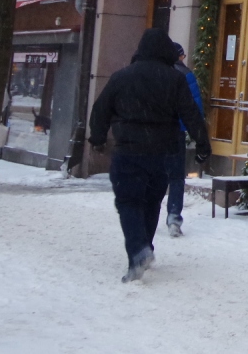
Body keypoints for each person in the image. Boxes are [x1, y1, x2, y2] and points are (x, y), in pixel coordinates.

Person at [89, 28, 210, 282]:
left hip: (129, 151)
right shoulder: (175, 79)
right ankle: (146, 246)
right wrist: (202, 144)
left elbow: (100, 110)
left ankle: (138, 251)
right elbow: (191, 113)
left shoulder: (122, 77)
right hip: (162, 153)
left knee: (129, 202)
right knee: (152, 201)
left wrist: (98, 139)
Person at [164, 43, 203, 238]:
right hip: (176, 132)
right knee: (176, 177)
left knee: (152, 175)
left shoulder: (155, 72)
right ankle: (173, 217)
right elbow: (195, 108)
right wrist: (198, 134)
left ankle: (145, 215)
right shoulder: (186, 75)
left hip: (152, 132)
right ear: (180, 56)